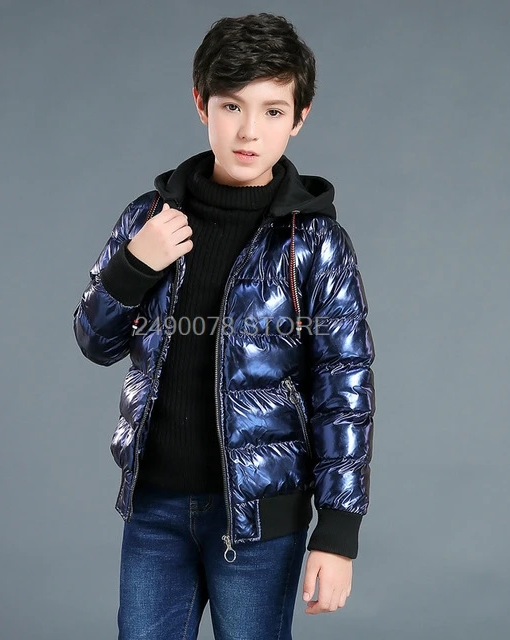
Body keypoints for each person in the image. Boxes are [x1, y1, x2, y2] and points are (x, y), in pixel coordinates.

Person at [73, 12, 375, 640]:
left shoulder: (315, 244)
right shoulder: (150, 219)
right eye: (231, 106)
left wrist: (338, 531)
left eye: (272, 111)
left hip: (262, 518)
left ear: (299, 117)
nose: (248, 131)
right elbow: (95, 341)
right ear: (200, 103)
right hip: (154, 509)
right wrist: (135, 265)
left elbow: (344, 389)